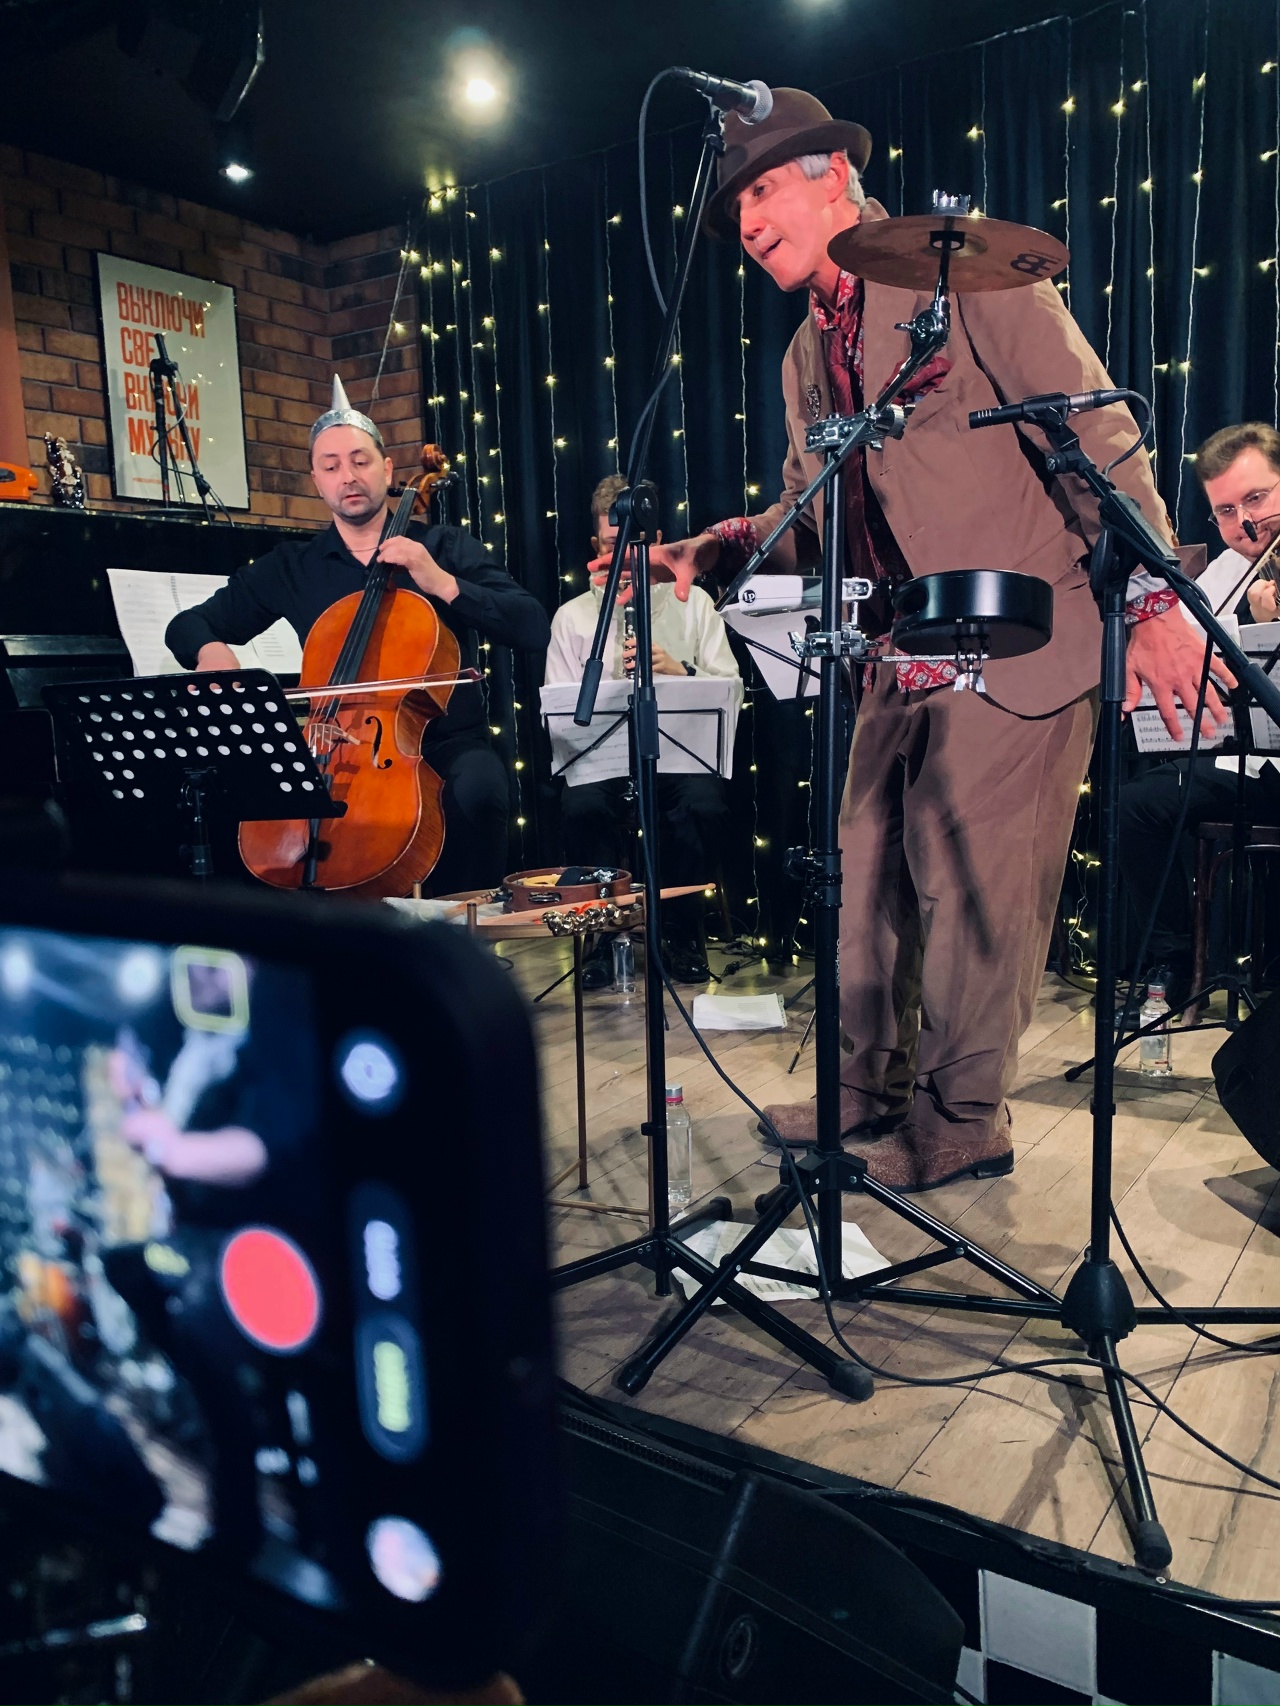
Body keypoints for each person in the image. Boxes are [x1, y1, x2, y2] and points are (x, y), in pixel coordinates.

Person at [643, 88, 1230, 1191]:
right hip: (900, 647)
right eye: (736, 210)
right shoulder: (803, 355)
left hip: (1020, 635)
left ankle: (963, 1118)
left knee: (972, 891)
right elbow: (812, 509)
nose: (748, 223)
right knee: (862, 875)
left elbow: (1094, 431)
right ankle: (863, 1086)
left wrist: (1155, 604)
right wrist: (718, 547)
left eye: (762, 191)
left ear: (834, 176)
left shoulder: (967, 275)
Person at [165, 378, 550, 895]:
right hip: (330, 747)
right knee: (239, 804)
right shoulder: (293, 566)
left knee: (479, 788)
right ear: (316, 481)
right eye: (330, 466)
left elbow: (531, 625)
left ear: (387, 470)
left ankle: (464, 932)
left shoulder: (442, 546)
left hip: (442, 744)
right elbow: (187, 625)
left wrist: (441, 581)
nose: (347, 476)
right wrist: (212, 651)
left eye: (360, 461)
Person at [545, 475, 740, 984]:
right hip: (603, 759)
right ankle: (600, 936)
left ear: (655, 542)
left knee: (702, 806)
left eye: (633, 545)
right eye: (611, 546)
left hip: (678, 754)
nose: (622, 559)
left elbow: (730, 687)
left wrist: (679, 671)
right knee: (581, 808)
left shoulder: (694, 603)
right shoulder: (571, 617)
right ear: (595, 547)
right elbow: (560, 715)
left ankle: (681, 934)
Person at [1118, 423, 1280, 1004]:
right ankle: (1177, 960)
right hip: (1250, 763)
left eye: (1257, 498)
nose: (1247, 523)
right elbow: (1180, 654)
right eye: (1227, 511)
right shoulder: (1225, 574)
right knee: (1137, 806)